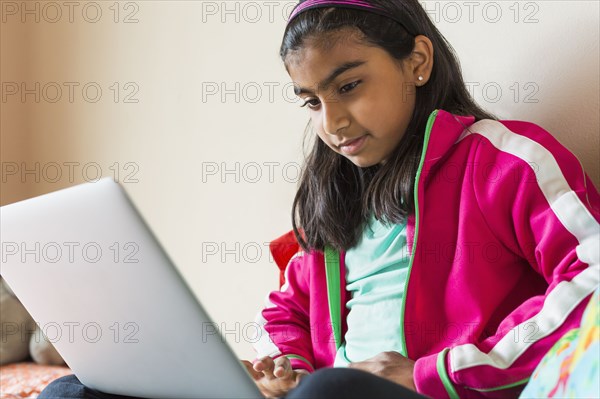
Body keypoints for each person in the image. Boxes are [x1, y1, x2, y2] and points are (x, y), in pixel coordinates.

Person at [39, 0, 599, 398]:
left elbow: (593, 277)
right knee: (72, 391)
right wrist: (284, 367)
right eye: (311, 102)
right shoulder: (334, 197)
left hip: (431, 392)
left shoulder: (503, 160)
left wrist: (439, 371)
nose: (331, 122)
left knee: (332, 389)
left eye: (349, 85)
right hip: (325, 391)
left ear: (417, 62)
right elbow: (290, 314)